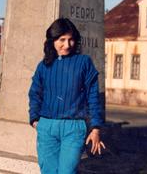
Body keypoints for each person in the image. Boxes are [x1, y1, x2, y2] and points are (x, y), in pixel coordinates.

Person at [28, 18, 105, 174]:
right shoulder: (43, 66)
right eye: (61, 40)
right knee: (48, 171)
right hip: (47, 127)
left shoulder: (84, 62)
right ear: (52, 41)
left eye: (71, 39)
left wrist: (95, 128)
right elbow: (35, 93)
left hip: (74, 128)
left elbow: (93, 97)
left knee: (67, 171)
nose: (67, 44)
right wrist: (35, 120)